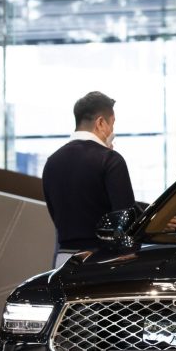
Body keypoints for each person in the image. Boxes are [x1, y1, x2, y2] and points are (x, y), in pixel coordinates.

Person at [43, 91, 136, 267]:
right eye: (112, 124)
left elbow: (55, 214)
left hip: (62, 262)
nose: (112, 131)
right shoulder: (110, 159)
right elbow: (124, 217)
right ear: (101, 123)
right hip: (100, 260)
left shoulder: (51, 162)